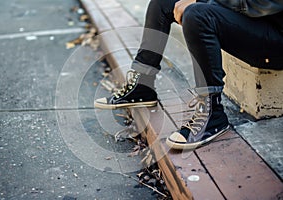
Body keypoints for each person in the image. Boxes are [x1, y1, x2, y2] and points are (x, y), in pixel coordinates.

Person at [94, 0, 283, 150]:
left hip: (275, 38)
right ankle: (142, 86)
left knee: (197, 15)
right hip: (252, 21)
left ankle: (212, 112)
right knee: (163, 3)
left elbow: (262, 4)